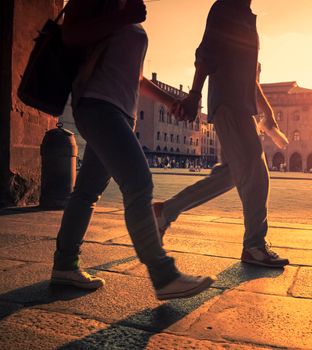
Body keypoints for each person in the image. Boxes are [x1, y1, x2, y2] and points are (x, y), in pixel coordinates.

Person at [50, 0, 214, 300]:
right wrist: (124, 16)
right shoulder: (113, 8)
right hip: (97, 105)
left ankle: (64, 264)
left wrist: (169, 102)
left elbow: (135, 79)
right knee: (138, 184)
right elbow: (70, 35)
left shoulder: (129, 10)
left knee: (87, 193)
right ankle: (164, 275)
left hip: (120, 113)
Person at [154, 0, 289, 268]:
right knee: (255, 173)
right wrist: (193, 96)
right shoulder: (226, 8)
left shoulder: (245, 16)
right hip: (230, 104)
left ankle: (164, 211)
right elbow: (206, 56)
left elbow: (250, 78)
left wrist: (268, 112)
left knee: (230, 175)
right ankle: (254, 246)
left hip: (240, 105)